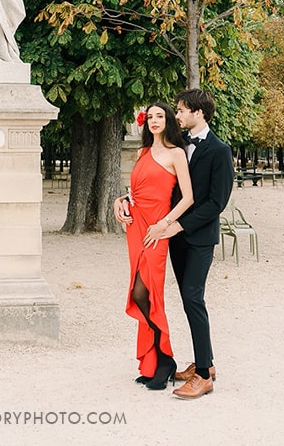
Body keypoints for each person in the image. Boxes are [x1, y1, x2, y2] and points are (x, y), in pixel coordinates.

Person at [114, 88, 234, 400]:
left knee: (194, 299)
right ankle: (190, 363)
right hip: (173, 238)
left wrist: (173, 224)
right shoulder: (177, 146)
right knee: (179, 298)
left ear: (200, 113)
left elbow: (215, 202)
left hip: (196, 237)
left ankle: (204, 374)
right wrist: (124, 200)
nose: (176, 116)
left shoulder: (220, 151)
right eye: (176, 111)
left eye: (181, 111)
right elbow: (157, 190)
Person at [122, 103, 194, 390]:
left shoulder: (177, 154)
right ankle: (158, 361)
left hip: (157, 229)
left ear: (168, 121)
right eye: (149, 117)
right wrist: (120, 203)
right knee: (139, 291)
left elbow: (187, 198)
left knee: (146, 292)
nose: (153, 121)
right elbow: (135, 193)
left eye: (159, 116)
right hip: (136, 226)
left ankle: (165, 360)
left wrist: (164, 224)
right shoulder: (142, 153)